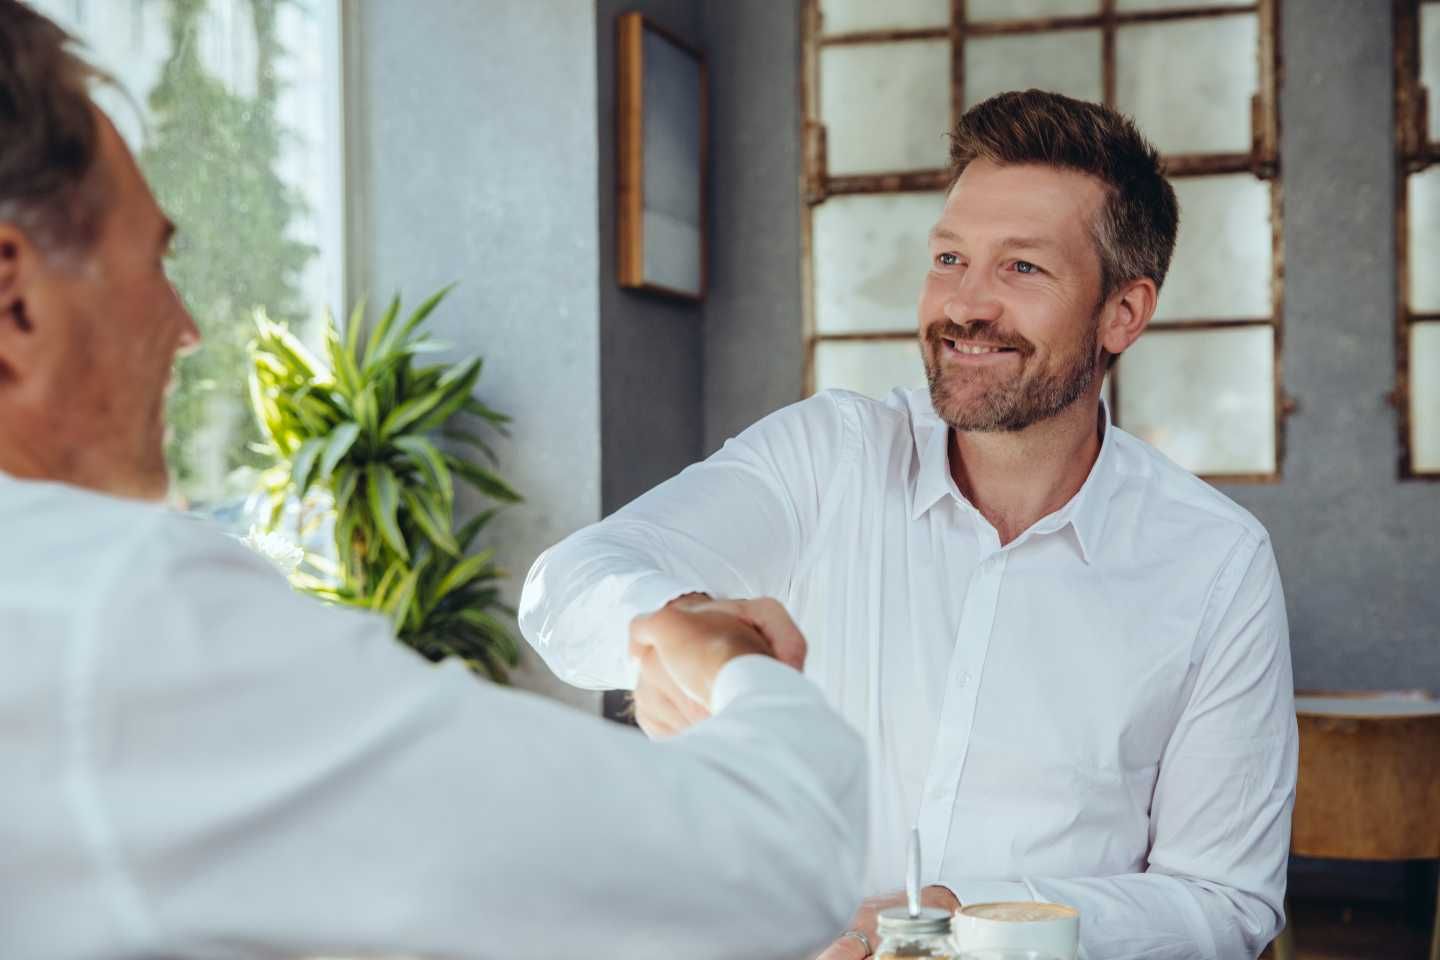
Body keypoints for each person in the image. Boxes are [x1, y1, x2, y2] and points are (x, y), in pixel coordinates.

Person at [0, 3, 866, 957]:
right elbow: (767, 861)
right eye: (153, 261)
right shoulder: (117, 617)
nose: (186, 326)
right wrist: (728, 657)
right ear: (13, 293)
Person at [522, 89, 1299, 959]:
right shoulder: (830, 453)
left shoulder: (1216, 562)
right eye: (949, 258)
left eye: (1022, 268)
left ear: (1124, 312)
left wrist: (967, 922)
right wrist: (674, 623)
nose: (965, 305)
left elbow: (1223, 900)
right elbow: (566, 584)